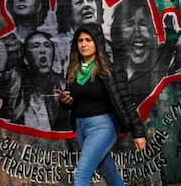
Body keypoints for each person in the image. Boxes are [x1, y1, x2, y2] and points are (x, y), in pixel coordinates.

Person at [55, 24, 146, 185]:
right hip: (82, 127)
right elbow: (72, 103)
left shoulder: (110, 70)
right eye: (80, 40)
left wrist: (138, 133)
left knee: (81, 175)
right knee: (109, 174)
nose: (83, 44)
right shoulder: (74, 70)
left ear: (97, 42)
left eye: (88, 40)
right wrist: (66, 102)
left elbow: (126, 102)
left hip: (103, 126)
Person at [52, 0, 112, 76]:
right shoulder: (57, 46)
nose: (86, 5)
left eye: (90, 0)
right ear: (68, 10)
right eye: (79, 2)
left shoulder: (108, 45)